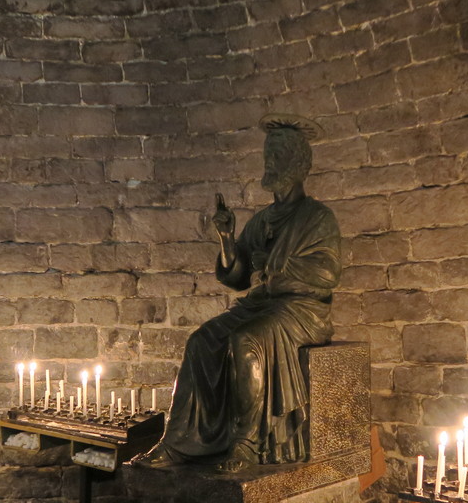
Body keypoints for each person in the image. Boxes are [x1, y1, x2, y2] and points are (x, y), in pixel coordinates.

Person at [137, 114, 342, 473]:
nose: (270, 164)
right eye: (268, 156)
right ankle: (180, 443)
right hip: (263, 305)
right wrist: (227, 238)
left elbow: (326, 274)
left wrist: (278, 270)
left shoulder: (318, 218)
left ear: (300, 163)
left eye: (278, 156)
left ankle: (247, 443)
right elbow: (238, 278)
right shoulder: (262, 220)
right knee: (201, 340)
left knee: (247, 342)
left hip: (302, 311)